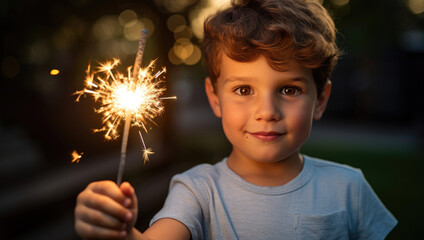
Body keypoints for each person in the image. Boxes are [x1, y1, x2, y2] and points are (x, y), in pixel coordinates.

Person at [74, 0, 398, 239]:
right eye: (244, 89)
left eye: (288, 89)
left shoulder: (348, 188)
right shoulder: (197, 192)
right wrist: (118, 231)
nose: (267, 111)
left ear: (321, 99)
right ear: (215, 98)